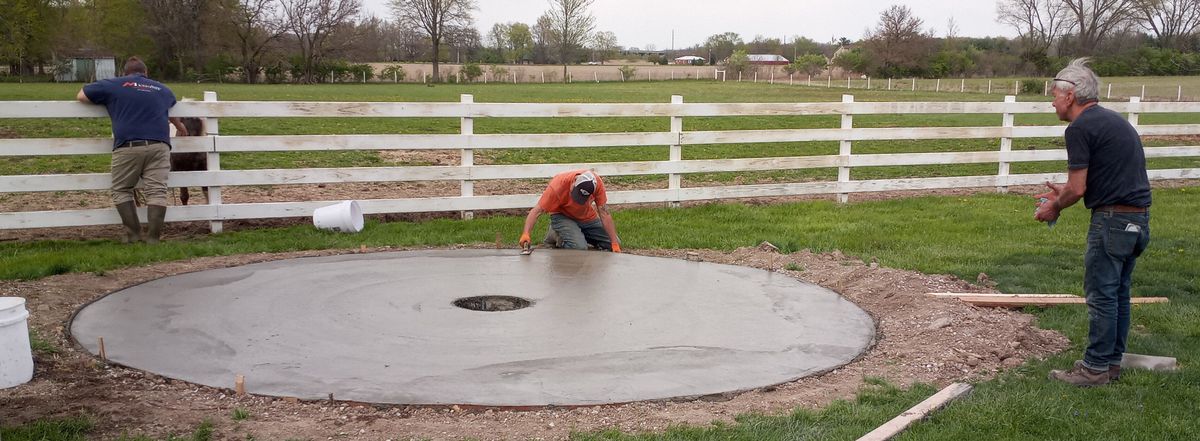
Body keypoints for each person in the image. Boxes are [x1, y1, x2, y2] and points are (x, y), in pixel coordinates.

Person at [1037, 58, 1152, 387]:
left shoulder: (1080, 128)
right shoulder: (1113, 121)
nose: (1052, 101)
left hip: (1113, 222)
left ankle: (1094, 371)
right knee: (1118, 295)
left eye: (1055, 95)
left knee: (1102, 295)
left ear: (1070, 96)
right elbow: (1103, 178)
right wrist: (1069, 191)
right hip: (1137, 220)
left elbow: (1077, 188)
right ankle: (1110, 363)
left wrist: (1055, 207)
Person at [76, 56, 186, 244]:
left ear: (124, 73)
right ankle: (153, 238)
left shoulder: (114, 84)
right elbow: (169, 107)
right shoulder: (162, 89)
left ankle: (133, 235)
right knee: (157, 191)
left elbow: (81, 95)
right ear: (146, 73)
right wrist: (180, 126)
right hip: (159, 145)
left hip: (128, 145)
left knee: (121, 189)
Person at [519, 169, 622, 253]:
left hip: (586, 217)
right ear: (574, 182)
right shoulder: (558, 185)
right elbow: (537, 211)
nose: (577, 199)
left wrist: (614, 243)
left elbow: (604, 213)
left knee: (613, 242)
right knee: (579, 248)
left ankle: (575, 234)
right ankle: (556, 234)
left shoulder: (597, 185)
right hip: (561, 216)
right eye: (576, 193)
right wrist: (526, 234)